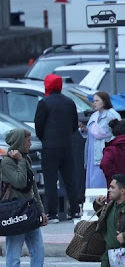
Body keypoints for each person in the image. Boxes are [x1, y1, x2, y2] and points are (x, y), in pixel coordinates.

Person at [3, 128, 52, 267]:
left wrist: (41, 210)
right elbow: (19, 181)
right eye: (27, 141)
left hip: (29, 211)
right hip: (15, 212)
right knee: (14, 254)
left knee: (38, 250)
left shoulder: (25, 159)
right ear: (18, 142)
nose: (30, 144)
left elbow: (32, 188)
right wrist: (21, 162)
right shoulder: (7, 162)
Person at [34, 74, 81, 223]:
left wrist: (45, 138)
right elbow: (75, 125)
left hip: (50, 147)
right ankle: (74, 210)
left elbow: (39, 125)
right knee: (70, 179)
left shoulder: (44, 103)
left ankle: (53, 214)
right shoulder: (69, 102)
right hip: (67, 145)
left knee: (50, 180)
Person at [79, 91, 121, 188]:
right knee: (93, 182)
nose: (94, 103)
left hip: (103, 154)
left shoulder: (112, 115)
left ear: (104, 101)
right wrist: (85, 130)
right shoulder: (94, 116)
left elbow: (118, 133)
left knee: (101, 181)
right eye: (93, 101)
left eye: (97, 101)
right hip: (92, 155)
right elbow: (90, 134)